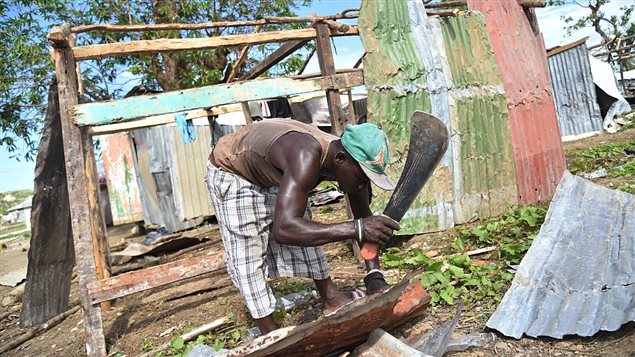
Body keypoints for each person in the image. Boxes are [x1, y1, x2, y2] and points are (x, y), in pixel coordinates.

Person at [206, 118, 400, 334]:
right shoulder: (305, 156)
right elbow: (285, 229)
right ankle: (270, 333)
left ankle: (332, 299)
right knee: (248, 253)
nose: (364, 184)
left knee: (308, 229)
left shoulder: (349, 162)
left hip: (272, 169)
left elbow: (365, 220)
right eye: (364, 177)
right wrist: (356, 228)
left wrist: (374, 276)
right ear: (340, 159)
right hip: (234, 171)